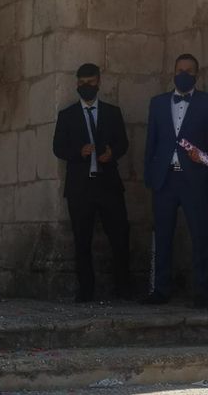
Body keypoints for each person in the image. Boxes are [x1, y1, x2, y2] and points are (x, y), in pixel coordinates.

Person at [52, 63, 131, 303]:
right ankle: (86, 290)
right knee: (82, 239)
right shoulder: (67, 115)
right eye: (82, 83)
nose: (86, 86)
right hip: (80, 187)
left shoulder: (112, 112)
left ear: (99, 82)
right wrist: (80, 152)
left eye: (91, 82)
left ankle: (124, 288)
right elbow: (58, 148)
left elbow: (123, 143)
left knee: (120, 236)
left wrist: (111, 153)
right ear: (77, 84)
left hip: (108, 184)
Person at [143, 53, 208, 309]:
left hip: (195, 180)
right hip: (165, 180)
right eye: (179, 69)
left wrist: (201, 156)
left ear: (197, 75)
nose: (183, 74)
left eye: (189, 70)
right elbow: (152, 141)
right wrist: (150, 174)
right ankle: (161, 289)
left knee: (201, 237)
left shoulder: (205, 103)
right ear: (172, 72)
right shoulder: (157, 103)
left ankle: (202, 292)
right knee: (163, 237)